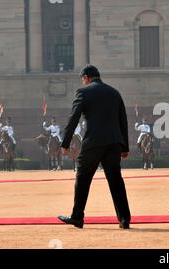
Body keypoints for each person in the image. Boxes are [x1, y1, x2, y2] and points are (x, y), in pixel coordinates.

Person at [58, 64, 131, 229]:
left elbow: (73, 118)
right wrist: (124, 147)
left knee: (83, 178)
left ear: (86, 77)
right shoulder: (114, 92)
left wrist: (65, 142)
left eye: (82, 79)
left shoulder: (83, 92)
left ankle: (77, 217)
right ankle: (124, 219)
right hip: (114, 143)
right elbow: (123, 121)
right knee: (116, 181)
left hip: (93, 142)